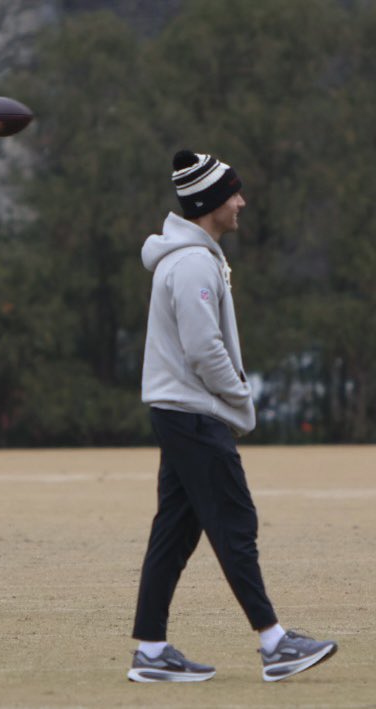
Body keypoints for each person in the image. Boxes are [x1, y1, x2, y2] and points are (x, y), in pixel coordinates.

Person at [126, 151, 338, 683]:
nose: (241, 202)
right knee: (235, 522)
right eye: (234, 194)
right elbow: (204, 350)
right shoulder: (194, 261)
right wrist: (241, 400)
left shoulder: (193, 256)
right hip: (194, 415)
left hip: (179, 412)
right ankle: (275, 644)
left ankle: (151, 651)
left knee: (174, 533)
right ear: (210, 203)